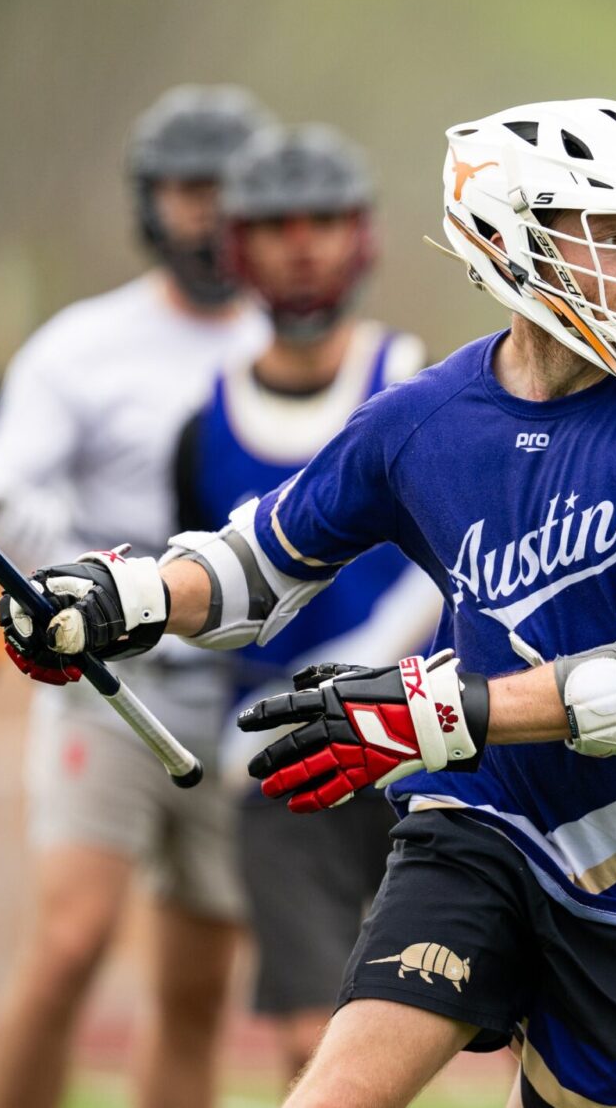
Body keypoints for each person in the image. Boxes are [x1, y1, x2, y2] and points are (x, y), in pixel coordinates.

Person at [0, 98, 616, 1108]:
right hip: (479, 819)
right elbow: (251, 565)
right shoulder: (423, 421)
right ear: (506, 242)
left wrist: (430, 711)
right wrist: (120, 594)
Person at [0, 85, 273, 1108]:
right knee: (69, 941)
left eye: (232, 192)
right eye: (193, 192)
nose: (213, 215)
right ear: (152, 200)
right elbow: (1, 487)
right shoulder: (82, 345)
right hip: (106, 682)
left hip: (242, 694)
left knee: (196, 988)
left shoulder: (291, 347)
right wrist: (93, 582)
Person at [171, 122, 440, 1083]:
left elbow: (460, 561)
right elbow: (207, 596)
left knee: (497, 1029)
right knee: (311, 1044)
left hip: (424, 744)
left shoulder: (420, 388)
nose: (303, 243)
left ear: (360, 233)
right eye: (277, 221)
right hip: (285, 759)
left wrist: (363, 659)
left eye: (324, 218)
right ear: (238, 244)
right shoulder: (204, 426)